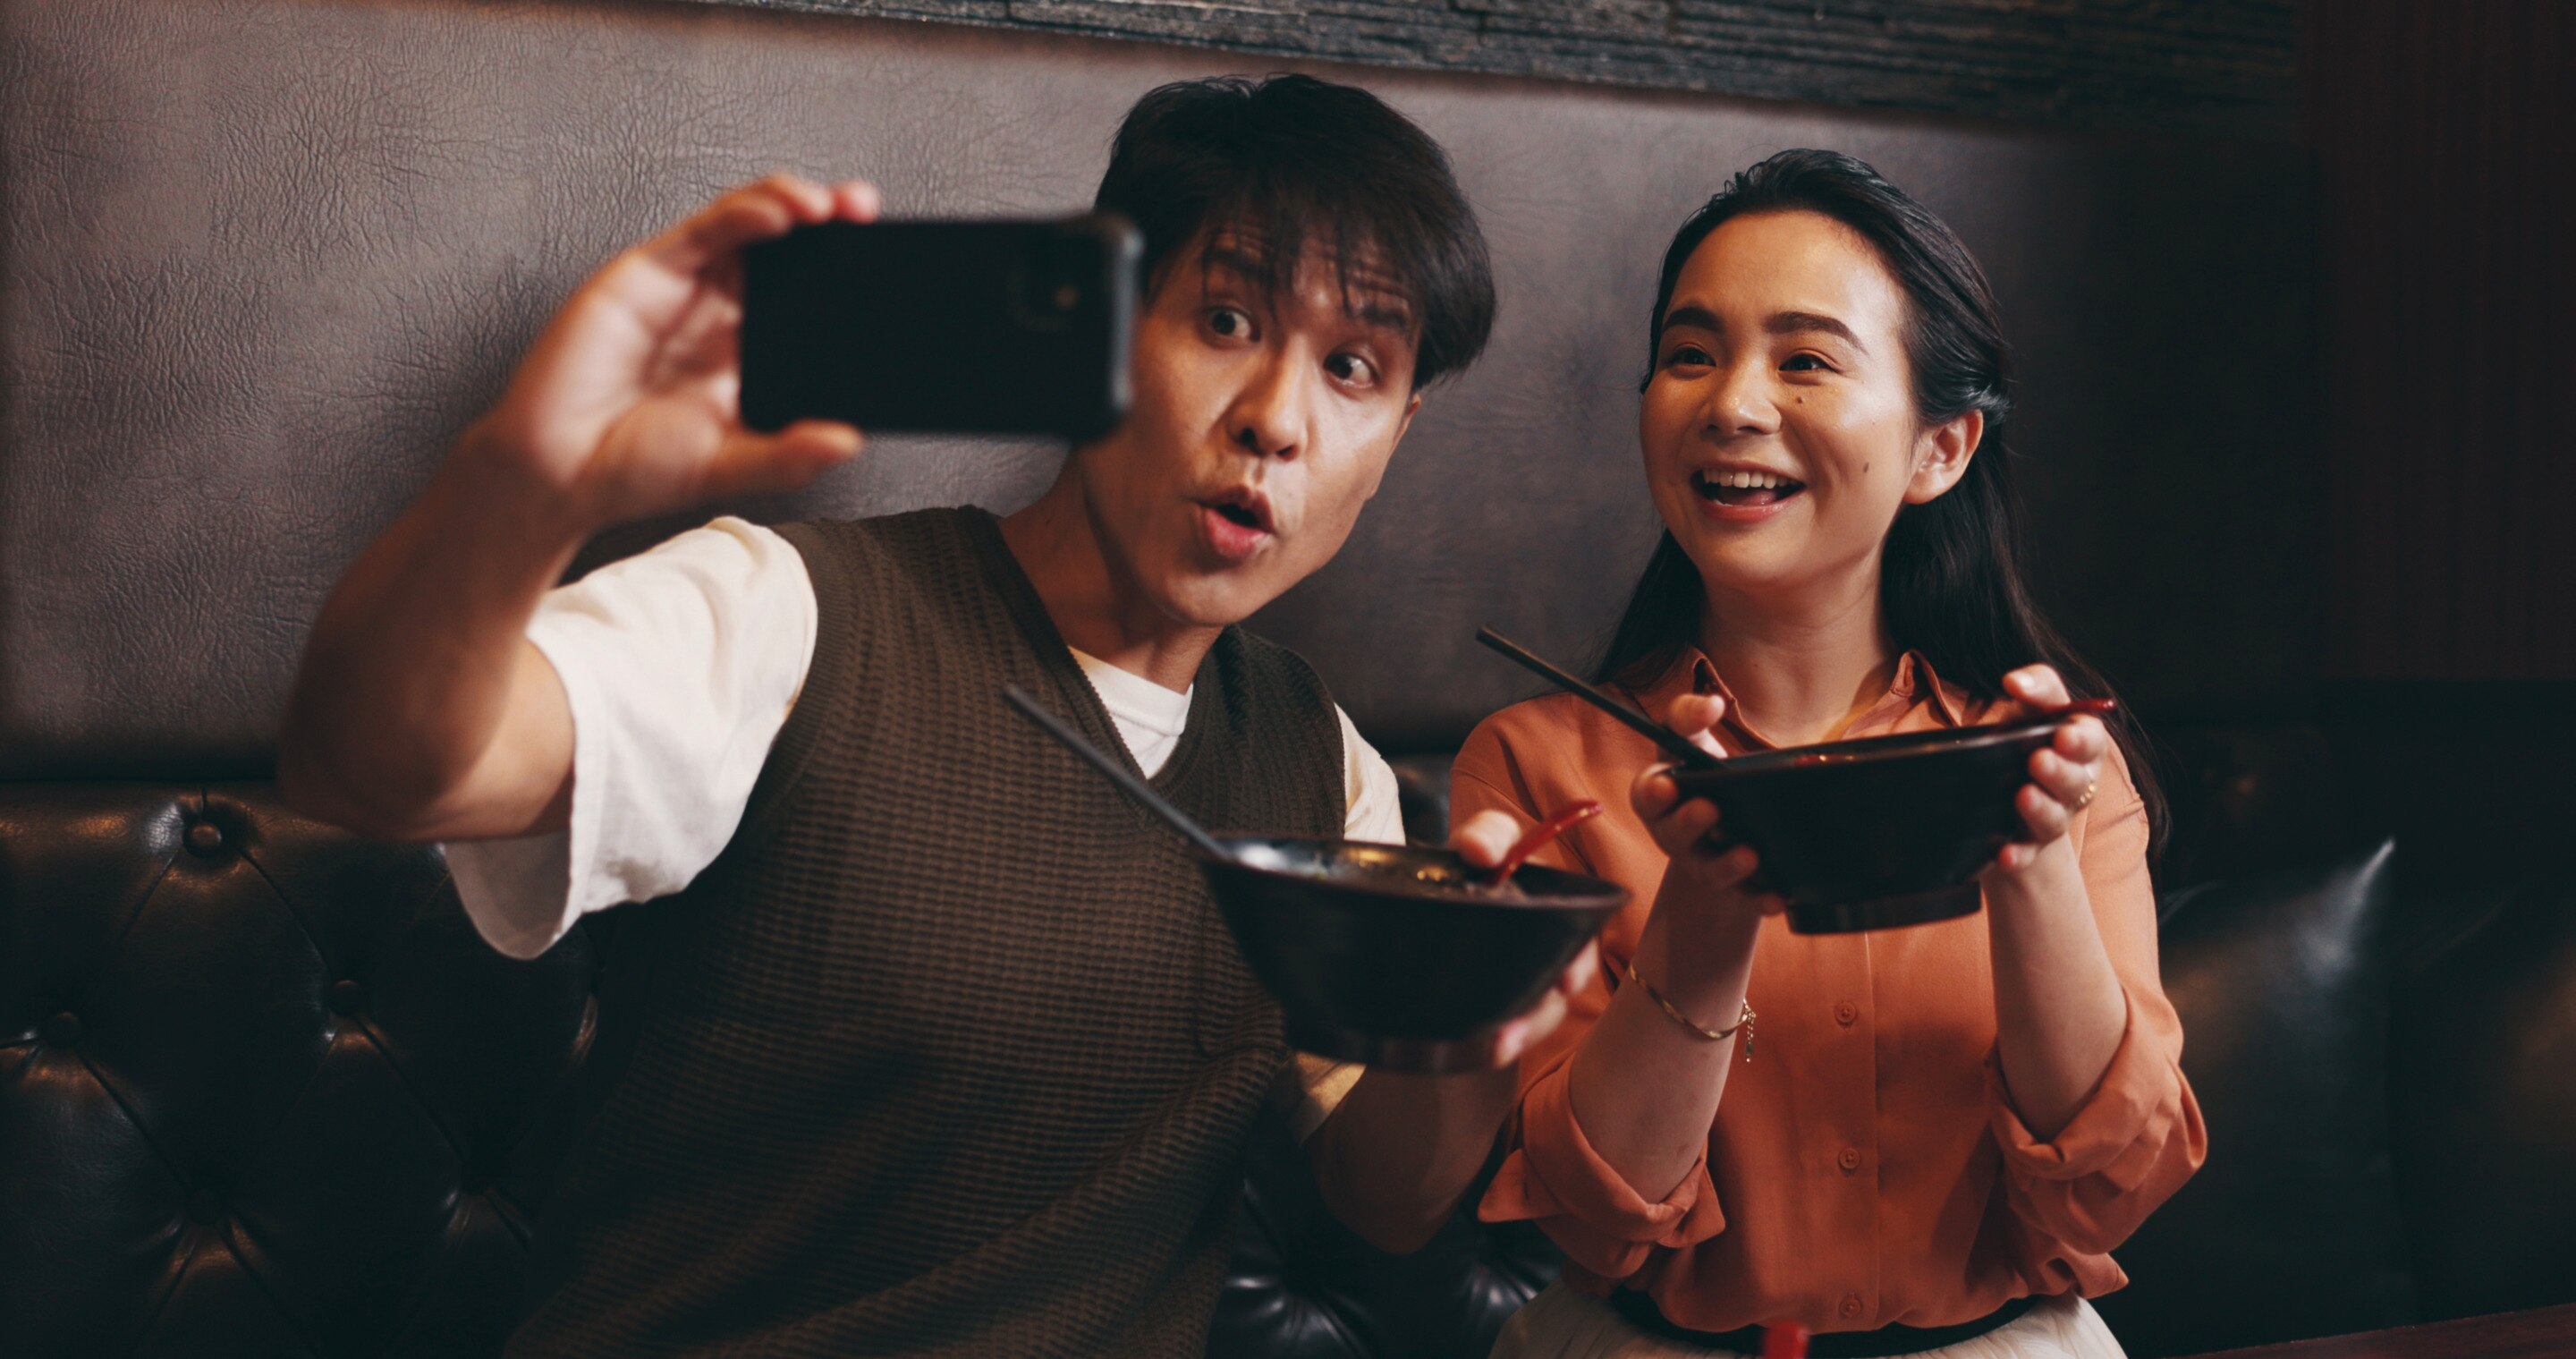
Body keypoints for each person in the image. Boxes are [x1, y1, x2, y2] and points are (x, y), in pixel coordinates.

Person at [280, 73, 1582, 1357]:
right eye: (1227, 319)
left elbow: (1388, 1202)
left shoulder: (1320, 768)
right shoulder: (785, 616)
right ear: (1107, 327)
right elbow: (376, 772)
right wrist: (532, 477)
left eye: (1352, 368)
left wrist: (1457, 1031)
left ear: (1397, 434)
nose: (1276, 424)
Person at [1446, 150, 2206, 1359]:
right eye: (1692, 354)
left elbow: (2109, 1188)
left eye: (1804, 360)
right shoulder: (1535, 764)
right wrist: (1706, 907)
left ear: (1939, 450)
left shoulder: (2065, 761)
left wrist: (2033, 852)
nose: (1734, 403)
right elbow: (1597, 1222)